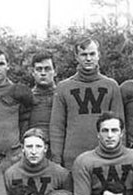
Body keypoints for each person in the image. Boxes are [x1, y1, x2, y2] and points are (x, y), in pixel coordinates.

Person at [50, 37, 124, 169]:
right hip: (73, 157)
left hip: (105, 157)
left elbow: (120, 124)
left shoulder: (111, 86)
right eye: (84, 54)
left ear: (99, 55)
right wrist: (56, 160)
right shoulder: (63, 87)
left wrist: (121, 156)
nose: (88, 59)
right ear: (76, 57)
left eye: (92, 54)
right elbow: (57, 127)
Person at [28, 51, 57, 139]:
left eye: (47, 69)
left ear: (55, 72)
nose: (43, 73)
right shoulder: (27, 97)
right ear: (33, 72)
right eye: (39, 69)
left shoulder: (62, 95)